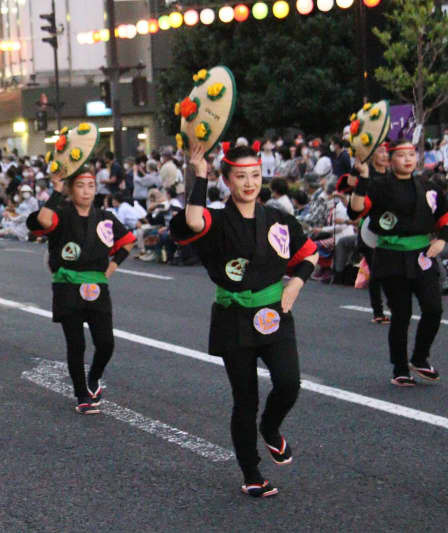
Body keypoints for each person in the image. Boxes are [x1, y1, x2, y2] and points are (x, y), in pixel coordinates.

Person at [170, 144, 317, 498]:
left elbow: (309, 253)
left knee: (289, 383)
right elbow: (191, 221)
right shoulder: (216, 221)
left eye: (255, 174)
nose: (249, 182)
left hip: (273, 314)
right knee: (245, 398)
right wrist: (199, 174)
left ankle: (270, 427)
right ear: (226, 180)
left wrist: (295, 283)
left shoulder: (279, 219)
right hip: (233, 317)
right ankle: (251, 472)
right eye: (240, 176)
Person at [26, 171, 135, 414]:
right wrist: (56, 190)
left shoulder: (105, 217)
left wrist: (113, 265)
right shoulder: (62, 214)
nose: (86, 191)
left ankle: (94, 377)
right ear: (71, 190)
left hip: (97, 286)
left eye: (91, 186)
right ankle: (81, 394)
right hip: (67, 286)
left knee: (106, 343)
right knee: (76, 344)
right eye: (80, 186)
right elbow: (43, 221)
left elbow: (128, 241)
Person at [349, 139, 447, 386]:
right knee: (401, 315)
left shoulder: (428, 184)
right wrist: (362, 180)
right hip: (391, 257)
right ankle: (400, 368)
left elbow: (444, 214)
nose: (407, 159)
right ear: (390, 159)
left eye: (411, 154)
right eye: (401, 155)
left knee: (434, 308)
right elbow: (356, 211)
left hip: (423, 255)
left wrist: (442, 240)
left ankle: (420, 357)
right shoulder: (379, 186)